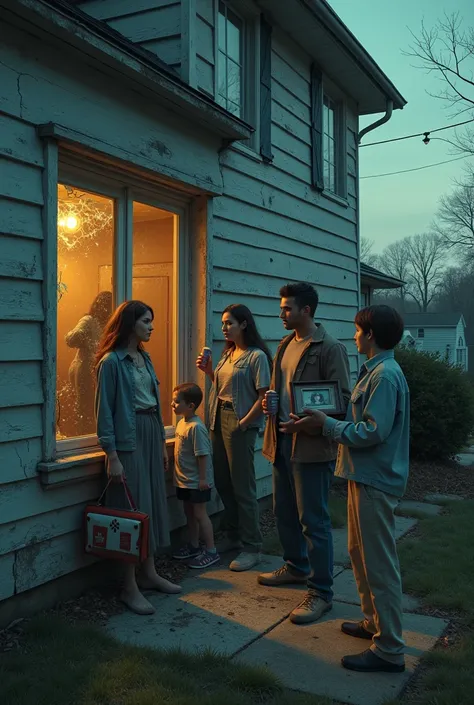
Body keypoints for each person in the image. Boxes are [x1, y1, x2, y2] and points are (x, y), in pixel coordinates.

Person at [281, 305, 409, 673]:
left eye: (357, 330)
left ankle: (389, 649)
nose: (354, 336)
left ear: (369, 335)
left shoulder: (384, 376)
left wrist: (328, 427)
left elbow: (372, 431)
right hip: (362, 476)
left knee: (379, 564)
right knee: (359, 553)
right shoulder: (377, 372)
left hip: (375, 479)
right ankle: (373, 624)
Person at [259, 282, 351, 624]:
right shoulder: (284, 345)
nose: (281, 313)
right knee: (283, 511)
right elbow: (280, 389)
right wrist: (272, 401)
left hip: (311, 447)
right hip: (281, 440)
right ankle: (296, 567)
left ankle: (321, 592)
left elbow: (340, 402)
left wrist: (305, 425)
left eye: (286, 308)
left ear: (306, 310)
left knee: (314, 521)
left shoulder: (329, 348)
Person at [95, 300, 181, 616]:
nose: (152, 327)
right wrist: (112, 455)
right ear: (131, 323)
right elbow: (104, 413)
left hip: (148, 433)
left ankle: (150, 573)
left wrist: (160, 443)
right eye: (147, 321)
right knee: (131, 508)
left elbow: (154, 405)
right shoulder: (111, 363)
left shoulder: (144, 358)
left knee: (152, 503)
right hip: (127, 441)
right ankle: (128, 587)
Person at [197, 304, 272, 572]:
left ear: (244, 324)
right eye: (223, 323)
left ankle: (252, 547)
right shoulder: (228, 353)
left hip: (239, 422)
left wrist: (243, 423)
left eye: (229, 323)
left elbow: (264, 395)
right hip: (217, 416)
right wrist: (208, 372)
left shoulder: (256, 357)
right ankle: (233, 535)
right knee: (223, 481)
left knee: (243, 486)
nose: (224, 328)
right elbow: (222, 387)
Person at [171, 383, 220, 569]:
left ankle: (211, 550)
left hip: (197, 482)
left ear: (190, 406)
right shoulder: (181, 422)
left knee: (200, 514)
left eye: (177, 402)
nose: (172, 405)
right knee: (189, 513)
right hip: (184, 480)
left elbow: (202, 455)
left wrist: (202, 479)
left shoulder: (196, 427)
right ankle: (193, 545)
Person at [66, 290, 112, 435]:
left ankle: (91, 436)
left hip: (94, 368)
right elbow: (70, 339)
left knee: (95, 406)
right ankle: (83, 438)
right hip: (84, 369)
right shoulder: (89, 320)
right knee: (85, 407)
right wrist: (82, 338)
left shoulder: (107, 323)